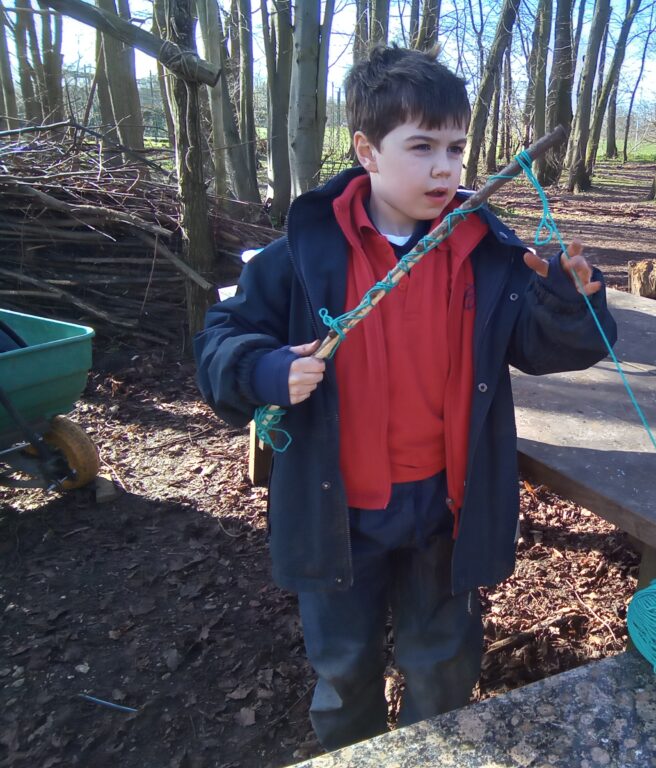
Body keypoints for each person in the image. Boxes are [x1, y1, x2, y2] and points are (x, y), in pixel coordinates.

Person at [194, 44, 616, 751]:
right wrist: (265, 370)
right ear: (367, 150)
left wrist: (572, 305)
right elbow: (219, 341)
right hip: (338, 513)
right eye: (421, 147)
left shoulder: (485, 252)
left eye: (455, 147)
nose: (446, 168)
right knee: (344, 668)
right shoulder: (304, 254)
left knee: (442, 665)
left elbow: (551, 349)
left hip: (445, 511)